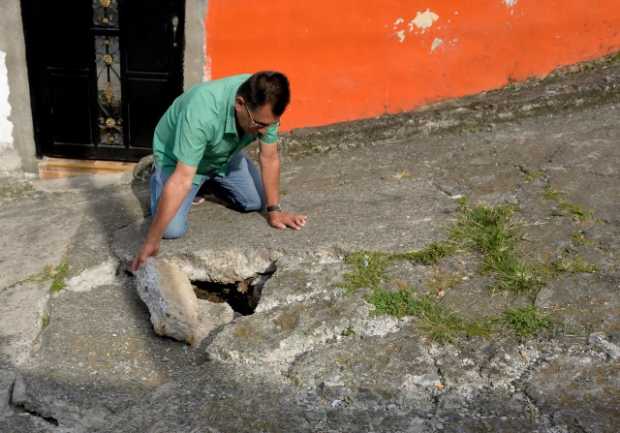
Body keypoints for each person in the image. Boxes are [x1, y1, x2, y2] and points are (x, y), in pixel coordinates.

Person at [131, 71, 307, 271]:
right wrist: (151, 242)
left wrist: (275, 211)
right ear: (240, 104)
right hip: (178, 159)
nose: (265, 132)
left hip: (223, 155)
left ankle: (207, 182)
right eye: (259, 124)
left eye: (271, 124)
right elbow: (182, 179)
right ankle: (158, 174)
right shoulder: (201, 111)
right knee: (171, 229)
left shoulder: (265, 100)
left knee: (256, 202)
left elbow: (269, 157)